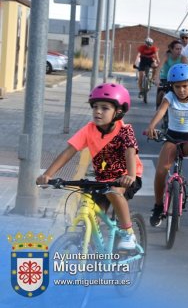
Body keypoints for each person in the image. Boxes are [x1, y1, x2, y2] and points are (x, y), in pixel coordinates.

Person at [36, 83, 143, 249]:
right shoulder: (89, 129)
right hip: (102, 179)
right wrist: (47, 175)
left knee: (114, 192)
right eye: (95, 107)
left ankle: (129, 233)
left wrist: (130, 175)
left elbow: (130, 151)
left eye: (104, 108)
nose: (98, 111)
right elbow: (68, 152)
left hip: (125, 177)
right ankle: (93, 255)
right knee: (93, 220)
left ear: (118, 112)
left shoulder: (125, 130)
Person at [145, 63, 188, 226]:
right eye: (177, 87)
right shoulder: (169, 97)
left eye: (185, 86)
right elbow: (161, 112)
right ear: (172, 87)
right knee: (161, 172)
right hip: (172, 139)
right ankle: (158, 206)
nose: (181, 90)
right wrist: (151, 126)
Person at [156, 40, 188, 109]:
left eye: (180, 49)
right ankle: (158, 106)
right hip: (165, 78)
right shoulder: (166, 56)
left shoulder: (183, 58)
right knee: (161, 92)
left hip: (177, 79)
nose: (179, 51)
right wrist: (157, 78)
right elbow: (159, 68)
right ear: (171, 49)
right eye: (177, 49)